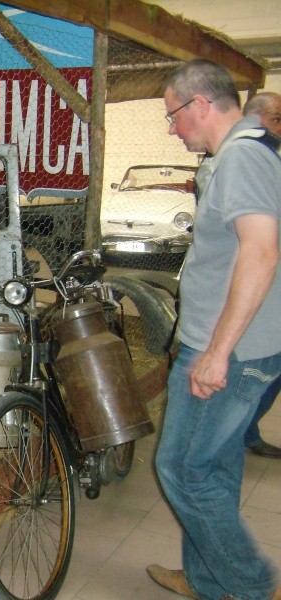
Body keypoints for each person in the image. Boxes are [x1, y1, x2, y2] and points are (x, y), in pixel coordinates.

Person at [147, 60, 281, 600]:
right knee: (216, 467)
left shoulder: (243, 158)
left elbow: (262, 250)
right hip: (231, 342)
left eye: (173, 115)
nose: (173, 128)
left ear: (200, 104)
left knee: (182, 468)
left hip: (231, 350)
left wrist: (217, 353)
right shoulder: (248, 153)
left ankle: (252, 586)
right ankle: (206, 578)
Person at [242, 91, 281, 459]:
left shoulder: (269, 162)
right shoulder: (240, 161)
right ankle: (241, 429)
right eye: (278, 120)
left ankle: (245, 428)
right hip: (256, 291)